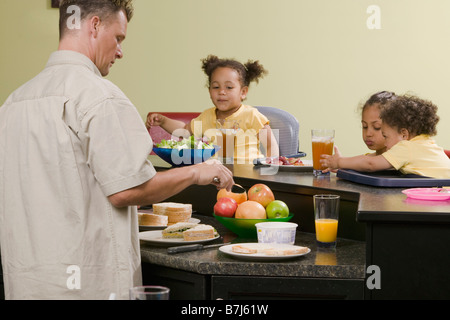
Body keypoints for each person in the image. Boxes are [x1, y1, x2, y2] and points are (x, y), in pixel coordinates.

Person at [0, 0, 233, 300]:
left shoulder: (14, 101)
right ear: (95, 25)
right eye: (119, 38)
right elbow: (126, 190)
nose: (120, 51)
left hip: (27, 285)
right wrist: (197, 172)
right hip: (88, 288)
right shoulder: (100, 96)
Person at [146, 55, 279, 163]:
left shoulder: (251, 115)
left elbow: (270, 145)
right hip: (214, 176)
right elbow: (185, 131)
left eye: (229, 87)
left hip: (248, 176)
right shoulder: (206, 116)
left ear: (243, 92)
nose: (221, 92)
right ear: (209, 91)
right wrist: (163, 121)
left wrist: (269, 167)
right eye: (216, 87)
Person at [321, 94, 450, 178]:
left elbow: (371, 163)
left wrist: (339, 162)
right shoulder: (425, 144)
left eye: (386, 136)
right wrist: (345, 163)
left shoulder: (407, 147)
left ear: (404, 134)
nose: (386, 143)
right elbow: (374, 157)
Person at [360, 91, 396, 156]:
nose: (368, 134)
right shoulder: (364, 160)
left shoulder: (403, 161)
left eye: (377, 127)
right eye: (365, 126)